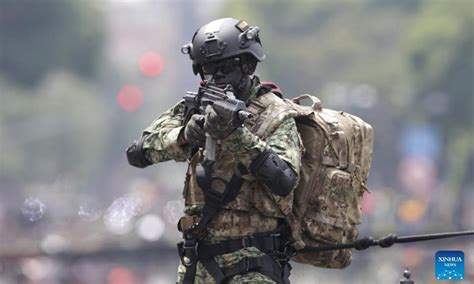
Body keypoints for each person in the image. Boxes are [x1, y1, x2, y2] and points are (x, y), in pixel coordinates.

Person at [126, 18, 302, 284]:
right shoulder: (196, 106)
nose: (217, 78)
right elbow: (138, 153)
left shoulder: (276, 115)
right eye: (209, 70)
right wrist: (184, 137)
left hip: (253, 265)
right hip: (198, 264)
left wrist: (234, 135)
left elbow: (284, 180)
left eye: (226, 68)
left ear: (248, 65)